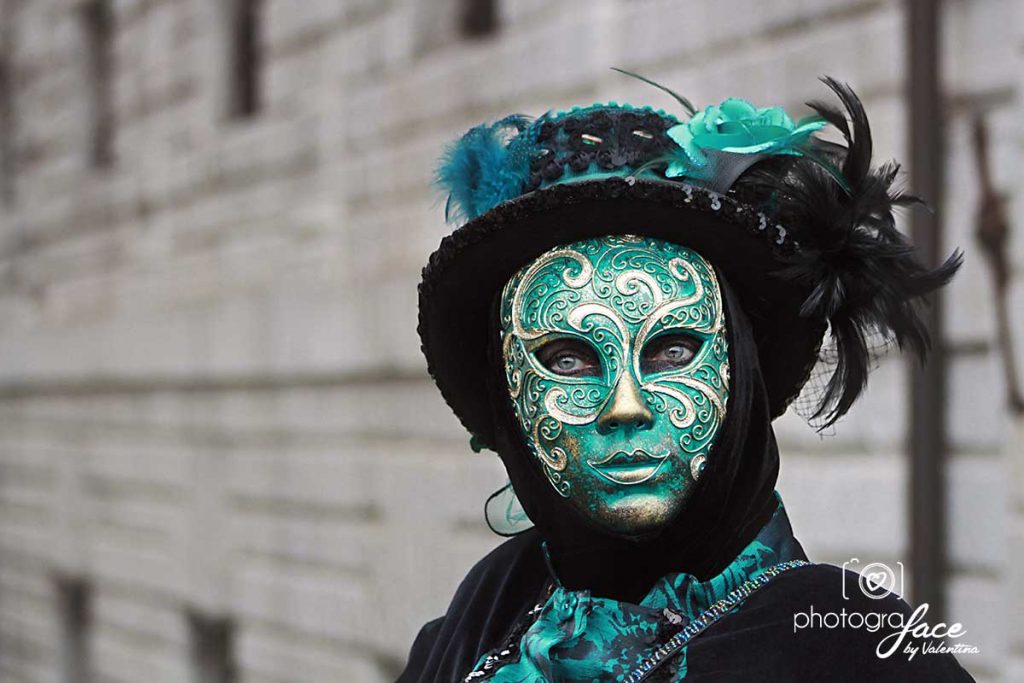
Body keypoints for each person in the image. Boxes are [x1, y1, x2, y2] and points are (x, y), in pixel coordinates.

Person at [400, 75, 974, 682]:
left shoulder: (847, 650)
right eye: (568, 358)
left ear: (738, 368)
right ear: (509, 394)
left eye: (672, 350)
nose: (625, 406)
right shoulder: (491, 610)